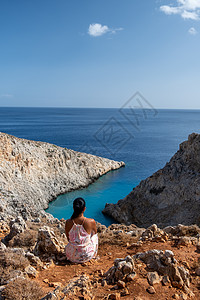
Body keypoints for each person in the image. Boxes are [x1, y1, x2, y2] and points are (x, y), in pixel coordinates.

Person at [65, 197, 98, 263]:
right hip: (86, 255)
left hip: (71, 255)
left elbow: (68, 238)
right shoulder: (91, 221)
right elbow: (94, 235)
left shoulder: (68, 222)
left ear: (73, 208)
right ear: (84, 209)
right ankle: (92, 253)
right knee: (95, 236)